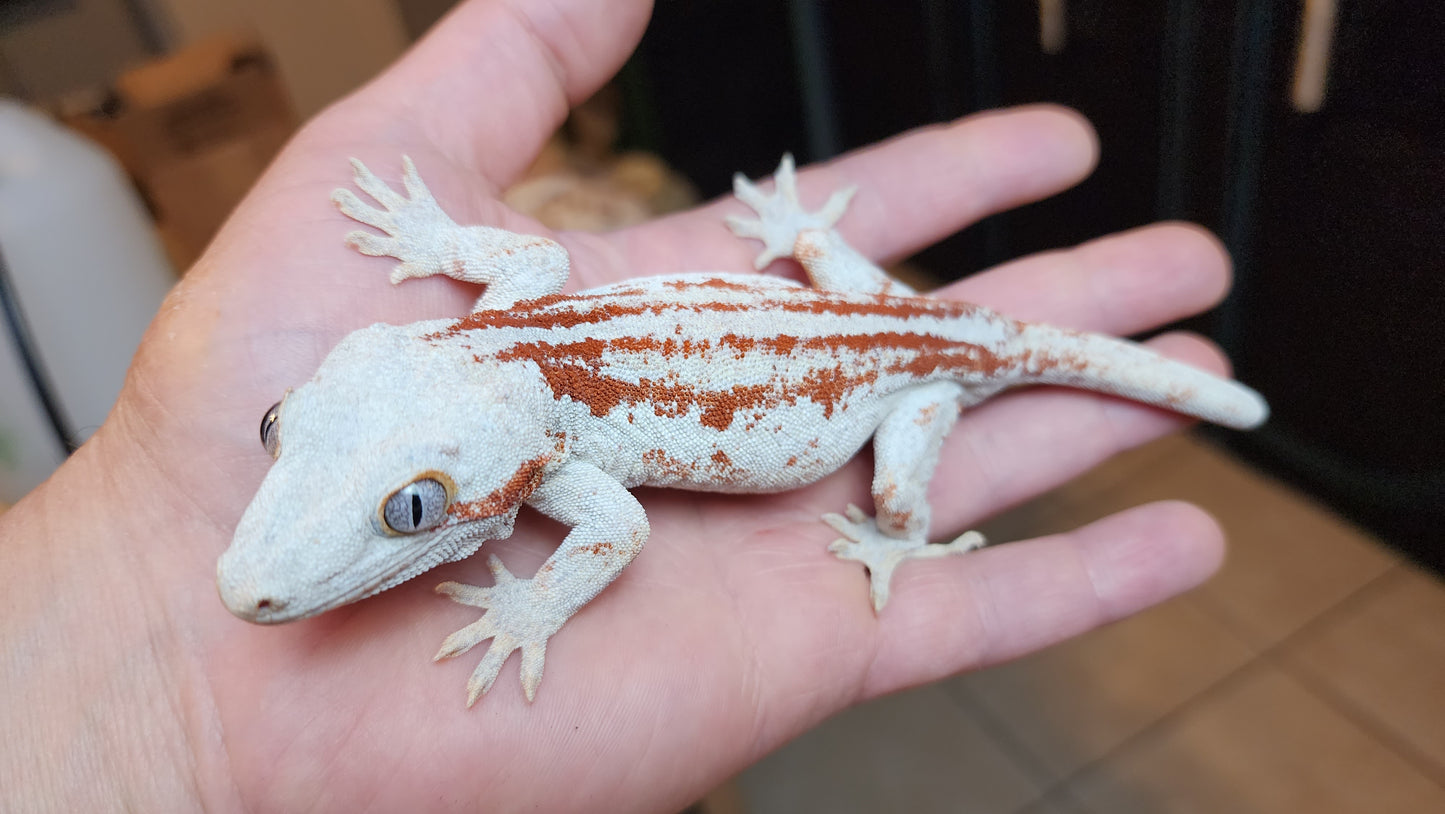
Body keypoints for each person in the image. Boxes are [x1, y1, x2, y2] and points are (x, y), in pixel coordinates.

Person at [0, 1, 1238, 810]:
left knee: (902, 482)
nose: (261, 572)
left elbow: (619, 527)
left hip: (897, 376)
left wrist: (537, 599)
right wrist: (445, 236)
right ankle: (862, 286)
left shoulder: (547, 432)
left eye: (414, 506)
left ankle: (903, 524)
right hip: (844, 301)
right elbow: (537, 286)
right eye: (285, 424)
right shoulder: (510, 332)